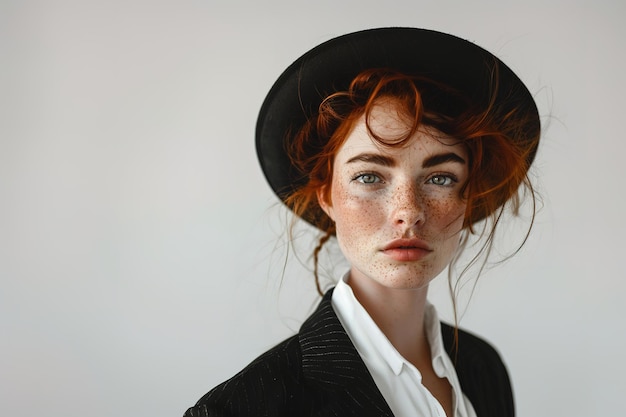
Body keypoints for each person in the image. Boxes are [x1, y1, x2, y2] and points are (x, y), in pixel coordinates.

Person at [183, 27, 540, 417]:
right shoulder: (244, 409)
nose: (408, 210)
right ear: (326, 194)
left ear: (468, 196)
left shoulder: (483, 368)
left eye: (440, 178)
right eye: (369, 176)